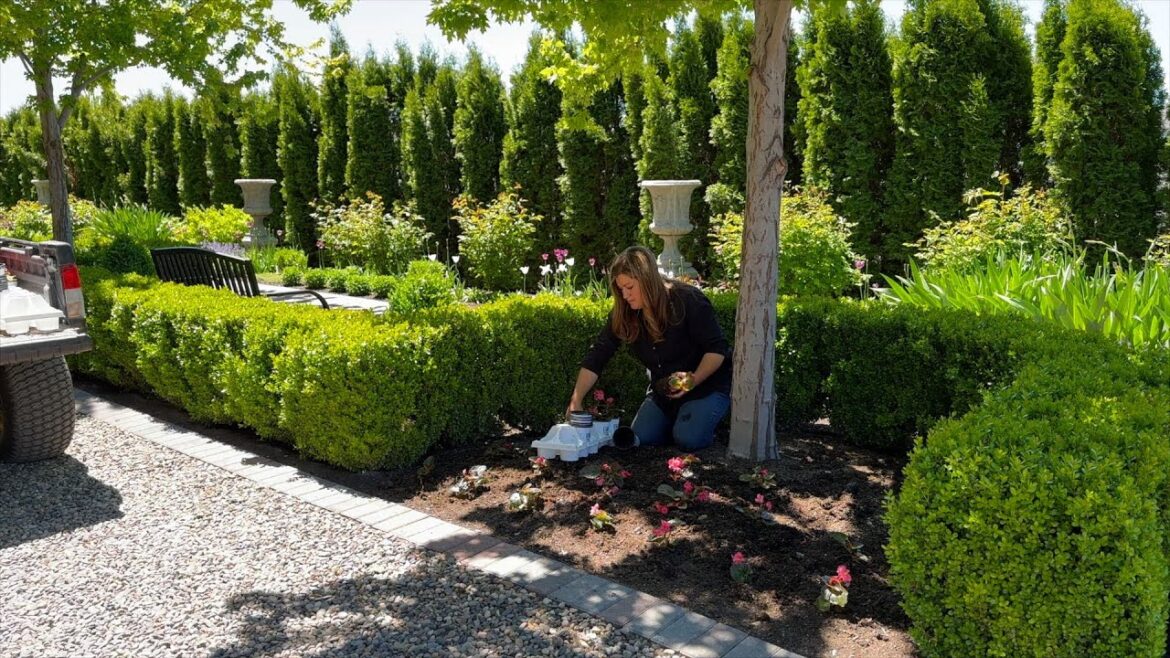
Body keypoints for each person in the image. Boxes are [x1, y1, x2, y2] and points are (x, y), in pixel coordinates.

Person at [567, 246, 732, 451]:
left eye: (629, 287)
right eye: (620, 289)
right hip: (664, 390)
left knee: (688, 439)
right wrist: (576, 400)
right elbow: (599, 354)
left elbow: (717, 350)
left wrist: (692, 380)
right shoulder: (625, 313)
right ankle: (681, 421)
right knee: (640, 438)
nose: (625, 295)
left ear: (646, 279)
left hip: (706, 387)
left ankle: (689, 423)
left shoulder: (689, 299)